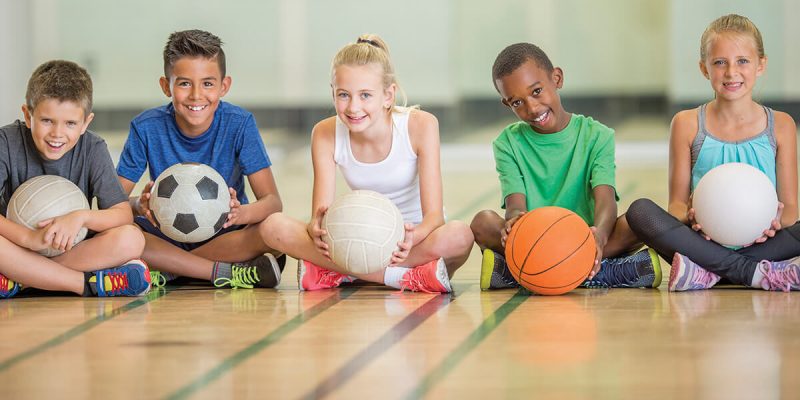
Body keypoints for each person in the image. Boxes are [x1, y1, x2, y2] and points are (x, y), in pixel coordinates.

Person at [262, 34, 474, 292]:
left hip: (413, 242)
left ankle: (344, 273)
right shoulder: (324, 133)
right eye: (343, 95)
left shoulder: (421, 125)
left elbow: (433, 219)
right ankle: (403, 278)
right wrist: (315, 228)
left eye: (365, 95)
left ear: (388, 95)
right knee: (273, 227)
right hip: (356, 236)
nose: (353, 107)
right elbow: (321, 213)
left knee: (460, 236)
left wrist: (412, 238)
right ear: (332, 93)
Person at [625, 14, 800, 292]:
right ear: (704, 68)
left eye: (743, 61)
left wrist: (775, 222)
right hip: (703, 242)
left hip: (762, 243)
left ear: (760, 65)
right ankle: (753, 273)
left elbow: (791, 209)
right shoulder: (686, 123)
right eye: (720, 62)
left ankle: (709, 273)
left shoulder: (781, 125)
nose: (731, 72)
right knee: (641, 212)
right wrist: (694, 219)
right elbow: (677, 207)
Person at [471, 42, 661, 291]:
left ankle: (522, 272)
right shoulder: (507, 143)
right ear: (507, 104)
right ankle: (600, 272)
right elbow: (516, 206)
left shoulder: (597, 135)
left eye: (537, 91)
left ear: (556, 78)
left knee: (640, 219)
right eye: (517, 103)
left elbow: (605, 200)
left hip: (586, 239)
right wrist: (514, 222)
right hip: (535, 240)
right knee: (482, 222)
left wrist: (599, 236)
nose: (532, 108)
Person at [117, 30, 284, 289]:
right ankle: (224, 272)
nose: (196, 95)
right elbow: (112, 205)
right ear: (166, 86)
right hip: (163, 236)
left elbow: (272, 202)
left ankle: (170, 269)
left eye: (207, 83)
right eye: (184, 83)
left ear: (224, 86)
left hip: (223, 236)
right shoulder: (146, 128)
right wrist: (140, 204)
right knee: (121, 234)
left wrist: (240, 214)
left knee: (273, 229)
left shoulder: (239, 124)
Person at [0, 60, 150, 299]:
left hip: (71, 249)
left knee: (131, 239)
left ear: (85, 123)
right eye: (47, 120)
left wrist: (80, 218)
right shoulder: (6, 142)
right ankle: (85, 283)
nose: (57, 134)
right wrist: (28, 238)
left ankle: (21, 280)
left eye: (70, 123)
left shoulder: (93, 148)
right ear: (28, 116)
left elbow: (122, 213)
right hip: (17, 246)